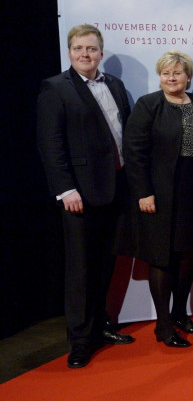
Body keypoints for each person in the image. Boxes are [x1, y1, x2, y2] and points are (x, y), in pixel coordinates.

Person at [36, 24, 135, 368]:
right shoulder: (55, 88)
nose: (84, 54)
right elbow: (51, 145)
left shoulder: (116, 86)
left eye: (91, 49)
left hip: (117, 188)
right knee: (80, 269)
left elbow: (125, 134)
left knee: (106, 262)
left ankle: (100, 326)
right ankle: (80, 340)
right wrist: (65, 188)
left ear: (101, 52)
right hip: (80, 193)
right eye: (78, 48)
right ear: (69, 52)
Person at [123, 50, 193, 348]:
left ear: (188, 76)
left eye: (177, 72)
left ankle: (180, 314)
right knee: (163, 258)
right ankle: (163, 326)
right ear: (160, 76)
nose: (172, 77)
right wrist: (143, 192)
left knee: (190, 255)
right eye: (166, 73)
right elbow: (134, 151)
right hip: (161, 195)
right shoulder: (149, 104)